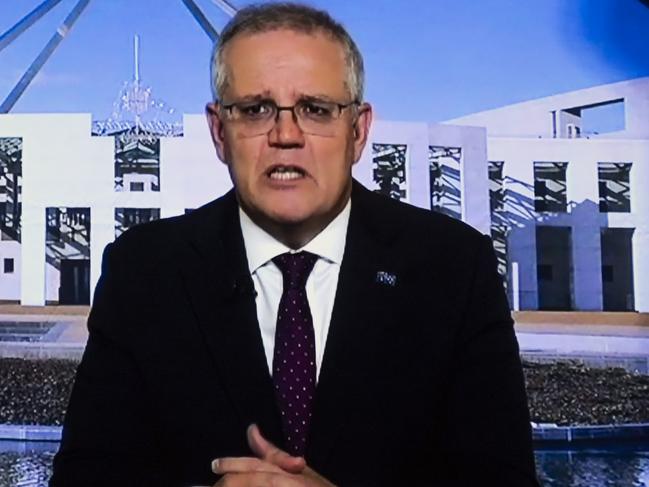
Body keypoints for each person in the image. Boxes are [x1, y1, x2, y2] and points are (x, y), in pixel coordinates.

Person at [51, 3, 539, 486]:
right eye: (255, 109)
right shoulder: (144, 271)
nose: (286, 135)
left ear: (358, 130)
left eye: (315, 109)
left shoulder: (453, 268)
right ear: (220, 132)